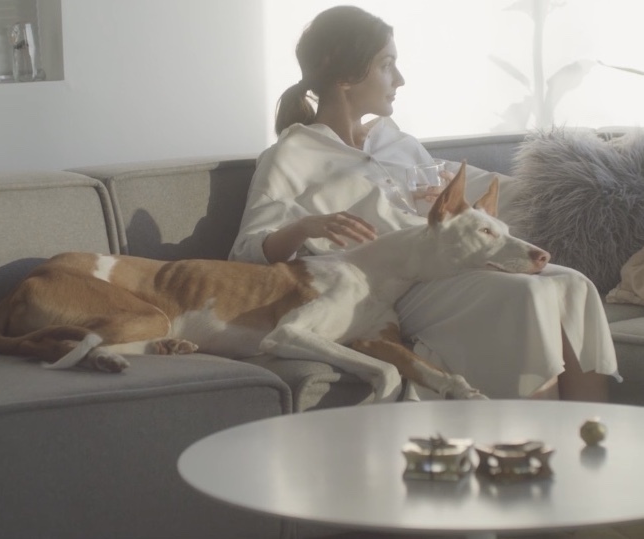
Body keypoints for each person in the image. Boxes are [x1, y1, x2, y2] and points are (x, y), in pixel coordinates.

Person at [229, 5, 620, 401]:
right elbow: (245, 252)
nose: (399, 79)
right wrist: (305, 226)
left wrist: (456, 201)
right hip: (387, 287)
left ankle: (593, 433)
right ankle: (537, 436)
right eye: (387, 65)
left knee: (574, 285)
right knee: (527, 294)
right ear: (344, 74)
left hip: (449, 264)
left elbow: (473, 204)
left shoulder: (398, 143)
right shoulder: (291, 156)